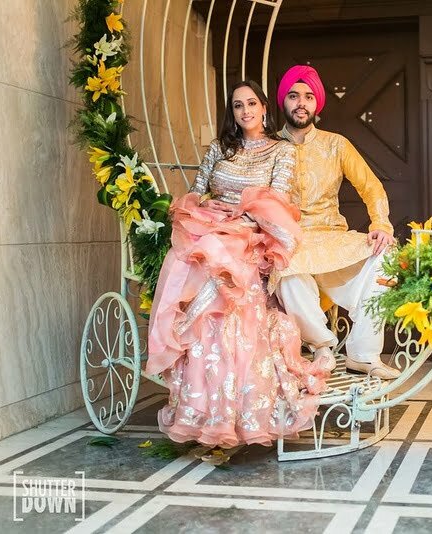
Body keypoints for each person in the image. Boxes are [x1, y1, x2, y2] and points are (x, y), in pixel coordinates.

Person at [146, 80, 334, 452]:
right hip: (213, 227)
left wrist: (238, 213)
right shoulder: (220, 148)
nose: (245, 111)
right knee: (196, 262)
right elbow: (199, 189)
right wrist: (200, 208)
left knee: (229, 277)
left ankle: (242, 411)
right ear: (231, 112)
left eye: (251, 103)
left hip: (252, 233)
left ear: (264, 108)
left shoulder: (281, 152)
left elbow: (275, 200)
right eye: (237, 106)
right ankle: (205, 409)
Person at [273, 65, 401, 380]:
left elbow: (372, 189)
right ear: (283, 102)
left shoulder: (336, 144)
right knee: (284, 266)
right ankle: (322, 347)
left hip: (332, 238)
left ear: (317, 104)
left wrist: (381, 225)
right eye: (293, 96)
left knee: (388, 255)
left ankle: (363, 352)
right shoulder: (269, 146)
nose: (300, 103)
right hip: (291, 241)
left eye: (307, 96)